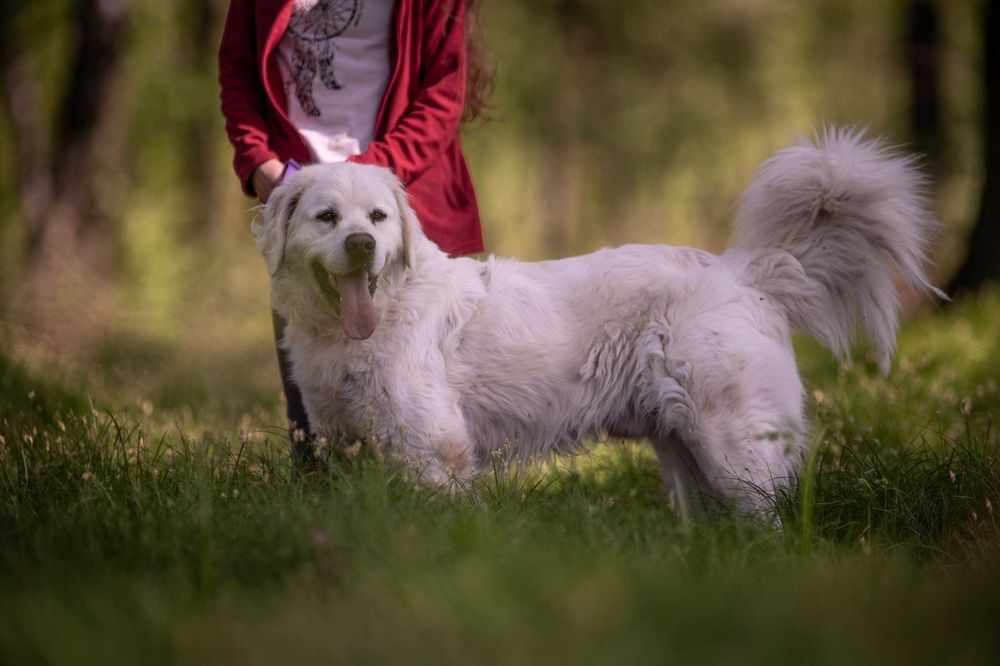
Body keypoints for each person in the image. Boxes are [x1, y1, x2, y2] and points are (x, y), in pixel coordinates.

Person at [218, 0, 490, 470]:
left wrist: (365, 179)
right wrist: (257, 160)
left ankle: (458, 526)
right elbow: (238, 68)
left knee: (436, 428)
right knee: (317, 443)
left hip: (406, 195)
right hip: (300, 196)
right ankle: (329, 533)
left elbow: (443, 95)